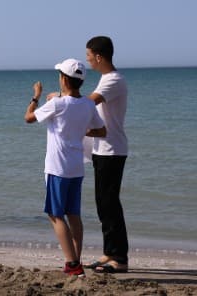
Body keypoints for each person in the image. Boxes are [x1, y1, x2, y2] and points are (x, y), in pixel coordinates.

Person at [25, 58, 106, 277]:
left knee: (55, 214)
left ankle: (72, 264)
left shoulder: (57, 104)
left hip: (58, 168)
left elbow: (29, 118)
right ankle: (76, 261)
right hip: (77, 168)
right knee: (73, 214)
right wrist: (81, 130)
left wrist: (36, 96)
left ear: (63, 79)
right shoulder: (88, 104)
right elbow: (101, 131)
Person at [85, 36, 130, 273]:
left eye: (89, 56)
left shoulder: (113, 80)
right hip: (102, 148)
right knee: (103, 203)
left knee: (110, 203)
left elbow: (88, 103)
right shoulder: (106, 79)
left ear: (99, 56)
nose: (88, 60)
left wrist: (61, 99)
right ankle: (109, 252)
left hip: (112, 150)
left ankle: (119, 258)